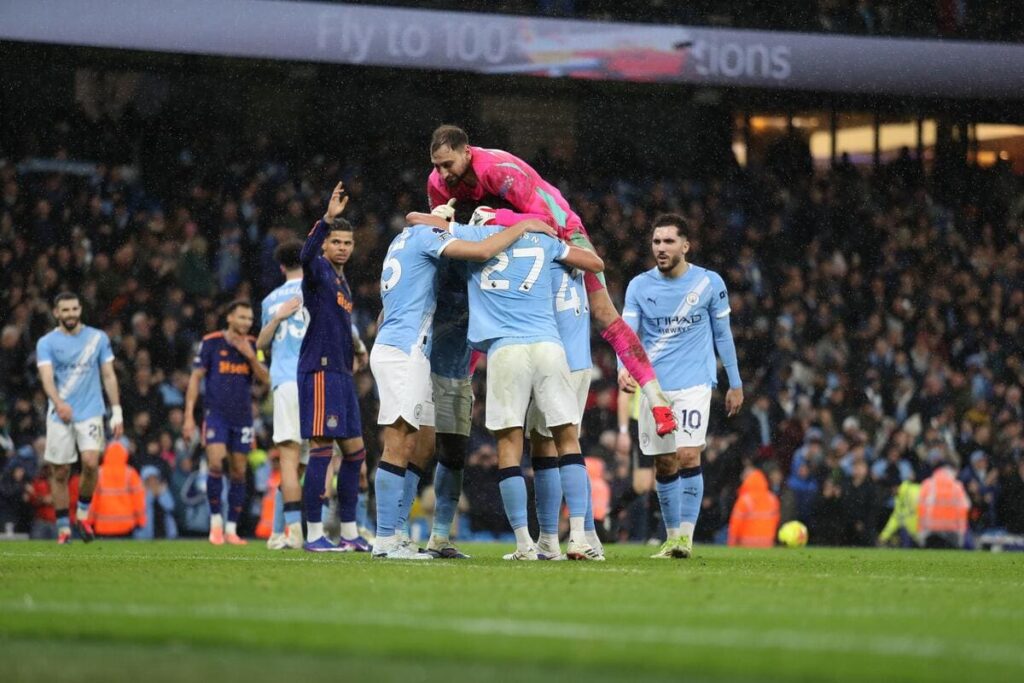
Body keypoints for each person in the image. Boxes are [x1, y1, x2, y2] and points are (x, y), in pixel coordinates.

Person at [426, 125, 678, 438]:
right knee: (474, 302)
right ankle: (457, 393)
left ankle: (657, 399)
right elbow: (440, 232)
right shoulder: (437, 183)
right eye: (436, 165)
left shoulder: (496, 170)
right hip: (501, 241)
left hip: (562, 230)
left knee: (603, 313)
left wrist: (494, 218)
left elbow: (545, 221)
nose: (442, 173)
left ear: (467, 152)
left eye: (448, 165)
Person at [370, 213, 556, 559]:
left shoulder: (413, 246)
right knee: (409, 446)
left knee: (452, 453)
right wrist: (523, 226)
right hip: (417, 358)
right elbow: (481, 249)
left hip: (449, 367)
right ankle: (390, 534)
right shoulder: (441, 248)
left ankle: (438, 538)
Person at [447, 214, 604, 560]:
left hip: (507, 349)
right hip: (550, 345)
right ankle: (578, 536)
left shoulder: (474, 234)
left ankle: (524, 544)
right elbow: (594, 263)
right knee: (567, 438)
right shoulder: (543, 240)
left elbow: (419, 220)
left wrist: (447, 216)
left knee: (509, 445)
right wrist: (533, 226)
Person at [619, 213, 743, 559]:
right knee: (664, 464)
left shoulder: (709, 283)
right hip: (653, 386)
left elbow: (723, 334)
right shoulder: (639, 286)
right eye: (656, 241)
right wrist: (622, 369)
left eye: (669, 241)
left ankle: (685, 539)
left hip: (694, 382)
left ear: (685, 246)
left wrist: (735, 381)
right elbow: (627, 336)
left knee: (688, 454)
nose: (661, 247)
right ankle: (672, 538)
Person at [296, 182, 369, 552]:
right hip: (320, 370)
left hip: (341, 372)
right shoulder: (318, 270)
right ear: (326, 244)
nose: (342, 247)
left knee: (356, 453)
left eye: (347, 243)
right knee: (322, 449)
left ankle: (351, 533)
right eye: (336, 241)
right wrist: (326, 219)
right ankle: (312, 534)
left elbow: (339, 323)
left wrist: (356, 349)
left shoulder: (342, 281)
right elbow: (304, 255)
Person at [526, 258, 604, 560]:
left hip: (555, 360)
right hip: (579, 359)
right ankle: (587, 536)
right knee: (569, 443)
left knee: (548, 445)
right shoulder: (580, 257)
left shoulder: (538, 258)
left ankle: (558, 539)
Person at [35, 291, 124, 543]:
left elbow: (108, 375)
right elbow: (46, 377)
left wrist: (116, 412)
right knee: (60, 472)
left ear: (80, 309)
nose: (70, 314)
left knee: (91, 462)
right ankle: (63, 528)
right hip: (60, 414)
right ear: (56, 313)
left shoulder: (97, 338)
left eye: (74, 309)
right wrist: (59, 403)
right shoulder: (46, 343)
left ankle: (82, 515)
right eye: (65, 310)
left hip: (91, 411)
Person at [183, 300, 269, 545]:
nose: (246, 322)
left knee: (240, 472)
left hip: (242, 418)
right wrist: (189, 415)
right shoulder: (210, 342)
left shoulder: (254, 345)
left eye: (249, 319)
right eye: (241, 317)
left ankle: (231, 528)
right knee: (216, 464)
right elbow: (195, 378)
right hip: (216, 415)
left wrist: (251, 357)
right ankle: (216, 525)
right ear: (229, 317)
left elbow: (265, 379)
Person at [256, 240, 310, 550]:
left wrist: (277, 317)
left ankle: (292, 533)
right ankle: (298, 531)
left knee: (289, 461)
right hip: (316, 380)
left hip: (287, 382)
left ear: (280, 267)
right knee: (310, 461)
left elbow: (261, 345)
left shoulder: (270, 300)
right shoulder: (319, 288)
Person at [917, 458, 971, 549]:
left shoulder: (927, 484)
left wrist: (921, 531)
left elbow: (921, 508)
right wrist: (961, 532)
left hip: (931, 531)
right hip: (952, 532)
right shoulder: (957, 486)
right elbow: (965, 507)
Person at [727, 466, 780, 548]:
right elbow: (776, 521)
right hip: (767, 545)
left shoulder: (744, 500)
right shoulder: (772, 498)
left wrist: (732, 543)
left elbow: (735, 524)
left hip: (746, 545)